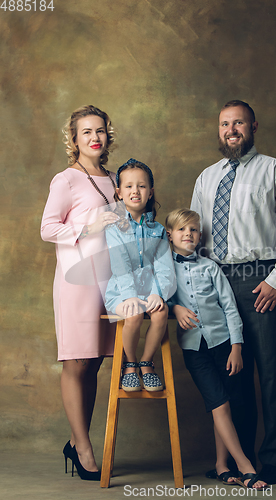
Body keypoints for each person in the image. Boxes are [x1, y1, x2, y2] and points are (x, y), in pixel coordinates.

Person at [190, 100, 276, 485]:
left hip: (261, 280)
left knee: (271, 373)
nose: (231, 129)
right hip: (216, 283)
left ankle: (273, 460)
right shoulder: (206, 178)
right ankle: (244, 462)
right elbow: (192, 235)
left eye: (238, 122)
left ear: (253, 126)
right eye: (224, 124)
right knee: (233, 374)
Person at [41, 105, 120, 480]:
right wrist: (87, 228)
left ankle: (77, 442)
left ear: (108, 136)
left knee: (96, 361)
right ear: (74, 139)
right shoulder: (66, 180)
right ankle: (82, 446)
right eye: (86, 131)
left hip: (111, 281)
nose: (94, 137)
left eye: (100, 130)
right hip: (77, 282)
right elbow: (47, 228)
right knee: (77, 361)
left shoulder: (115, 178)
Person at [165, 208, 267, 490]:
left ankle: (222, 466)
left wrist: (237, 346)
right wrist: (175, 308)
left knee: (226, 405)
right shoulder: (165, 268)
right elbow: (159, 299)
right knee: (218, 404)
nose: (189, 234)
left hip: (223, 343)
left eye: (194, 230)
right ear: (170, 234)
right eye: (182, 230)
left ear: (200, 235)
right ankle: (246, 466)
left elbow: (230, 308)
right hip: (193, 348)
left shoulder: (211, 268)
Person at [104, 159, 176, 392]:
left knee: (161, 311)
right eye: (129, 186)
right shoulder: (114, 228)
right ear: (119, 193)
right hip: (122, 292)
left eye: (142, 186)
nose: (135, 191)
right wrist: (130, 296)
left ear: (150, 191)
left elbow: (164, 266)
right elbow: (121, 266)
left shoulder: (158, 230)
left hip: (150, 291)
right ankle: (131, 363)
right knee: (133, 313)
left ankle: (146, 362)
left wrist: (158, 293)